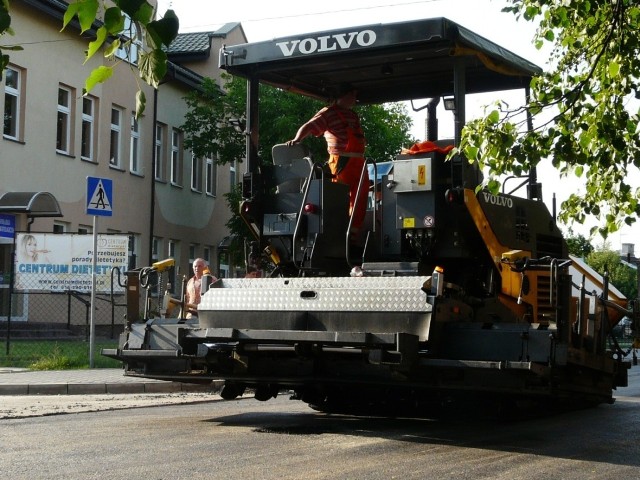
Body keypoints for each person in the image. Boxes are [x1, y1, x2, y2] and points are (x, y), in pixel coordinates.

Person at [286, 83, 369, 235]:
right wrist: (297, 139)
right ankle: (339, 233)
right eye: (352, 95)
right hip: (341, 161)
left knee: (361, 198)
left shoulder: (353, 115)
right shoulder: (328, 113)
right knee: (340, 197)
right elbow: (310, 126)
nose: (354, 99)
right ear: (342, 96)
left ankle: (353, 235)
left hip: (359, 162)